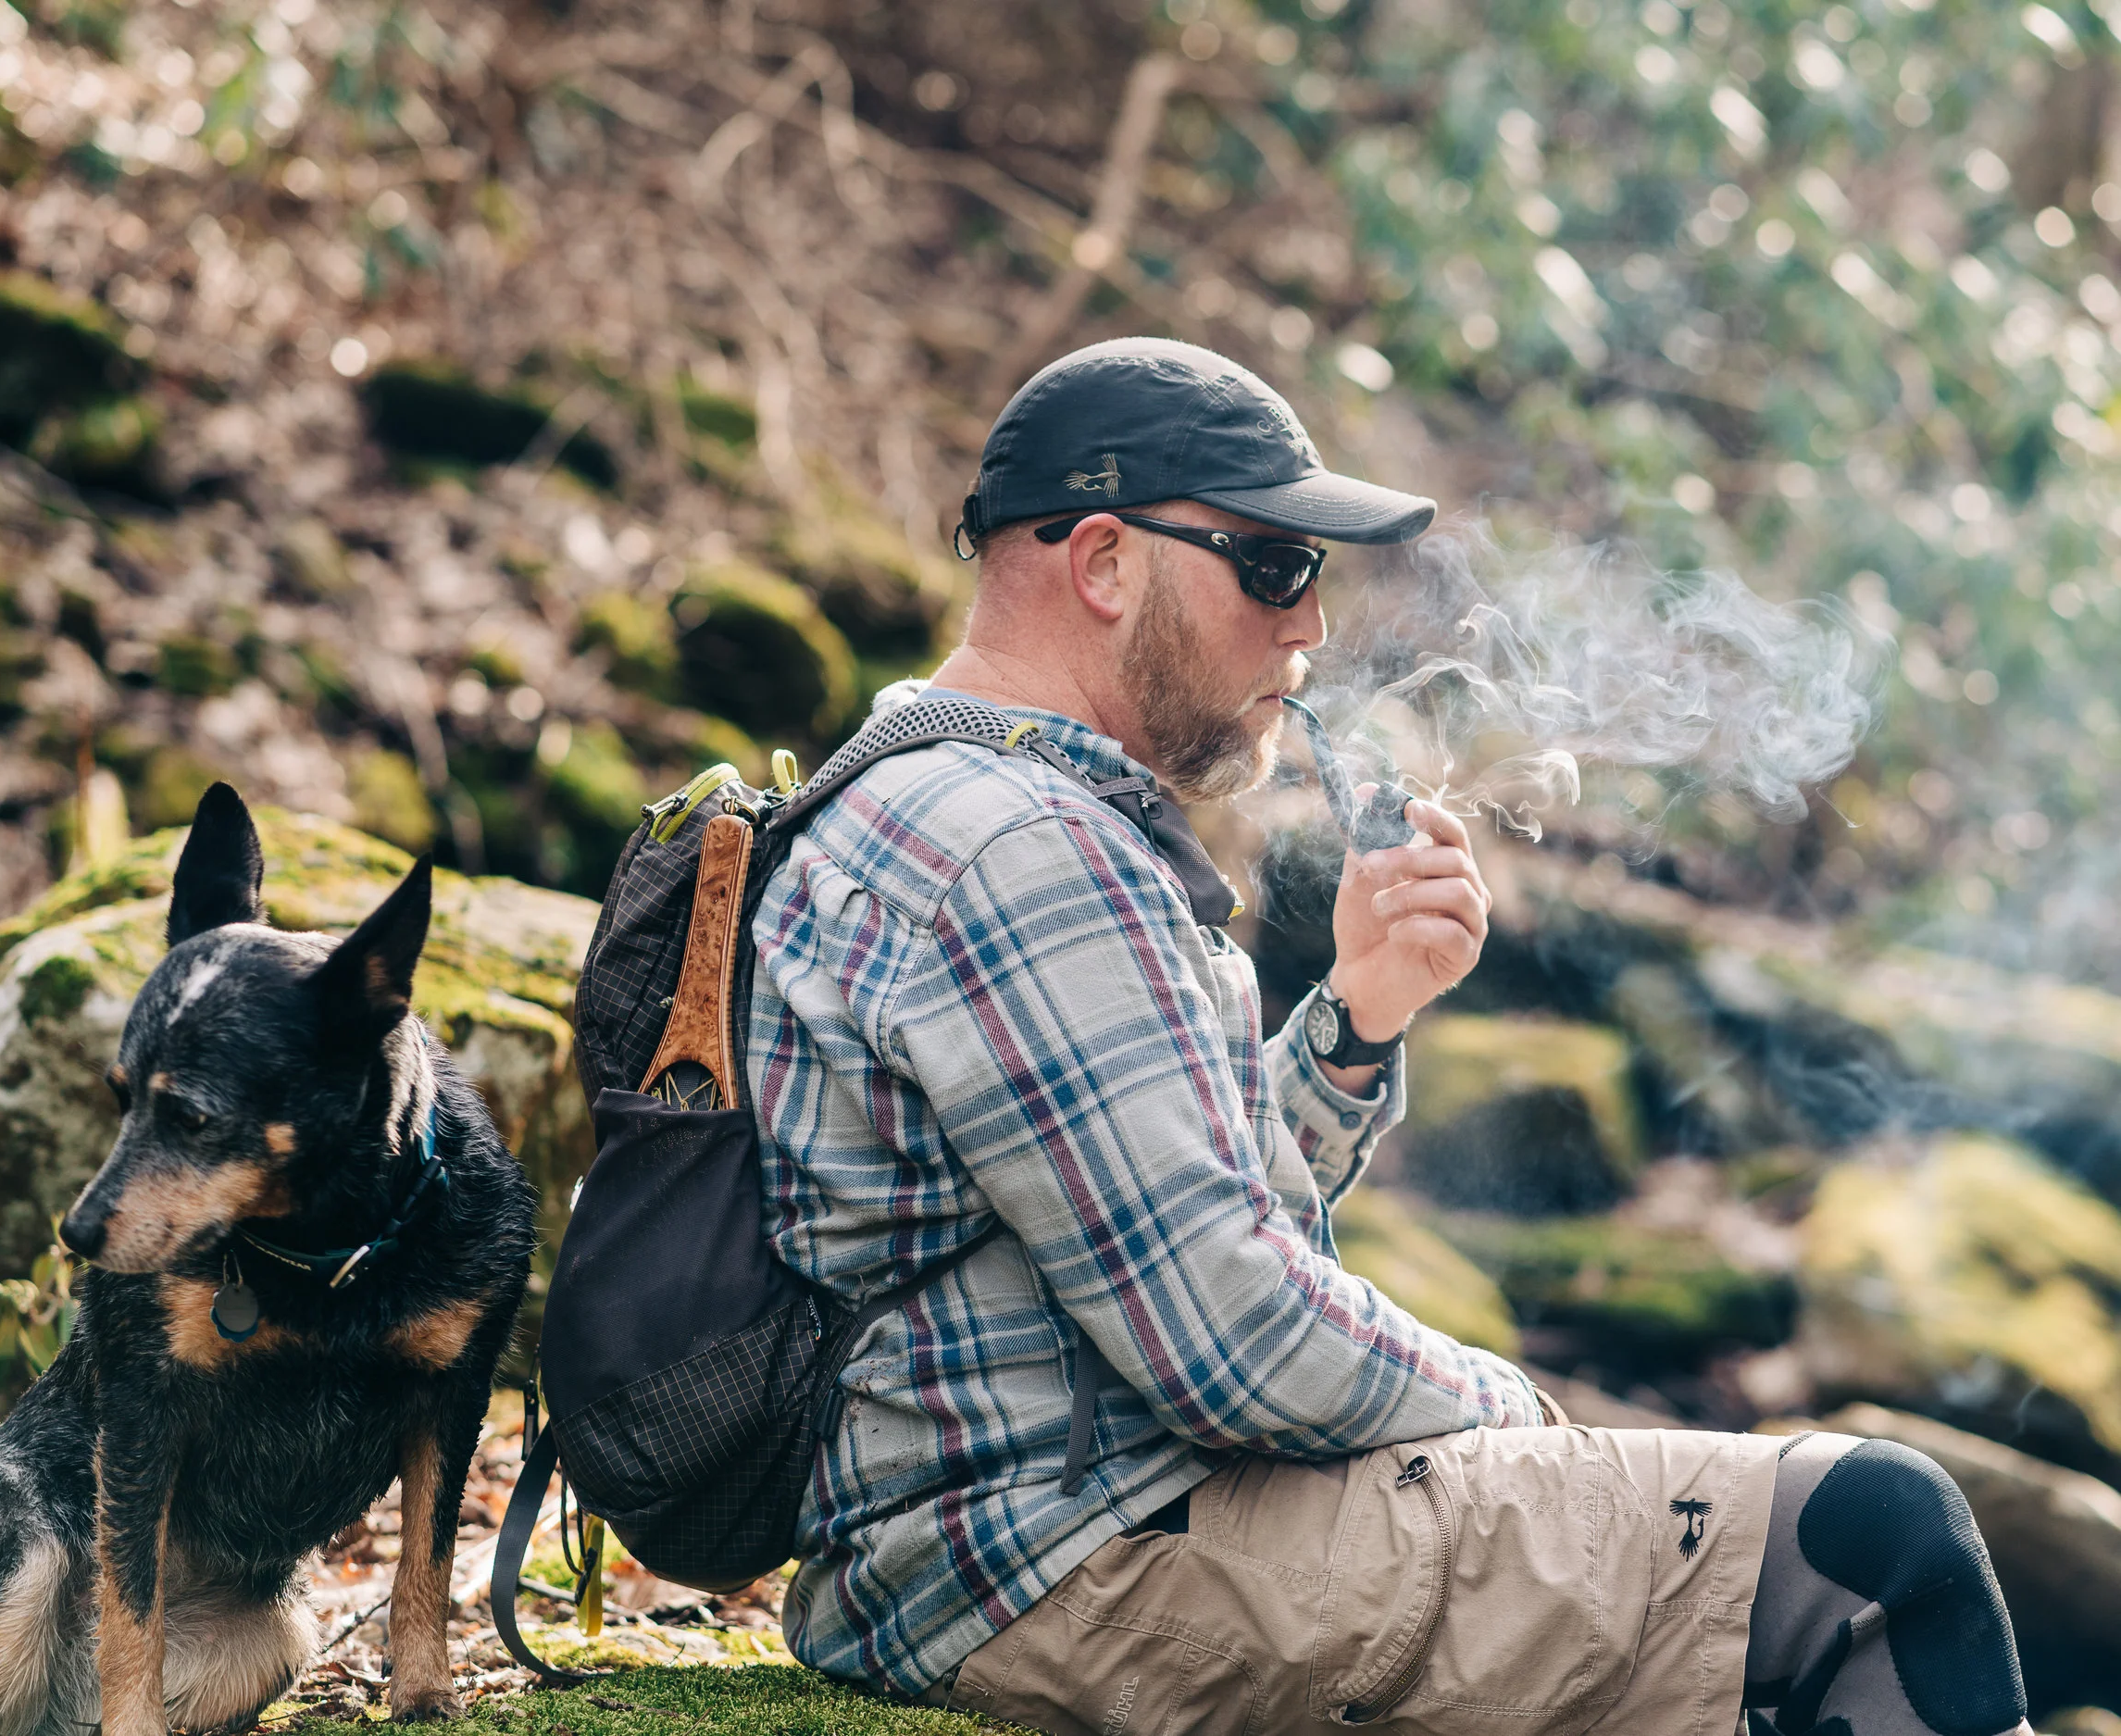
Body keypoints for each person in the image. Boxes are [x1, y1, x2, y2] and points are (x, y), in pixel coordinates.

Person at [745, 336, 2031, 1736]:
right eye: (1273, 567)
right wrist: (1519, 1412)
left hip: (1021, 1538)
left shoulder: (929, 787)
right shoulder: (1025, 850)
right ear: (1105, 563)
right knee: (1865, 1540)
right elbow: (1231, 1339)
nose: (1308, 629)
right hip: (1073, 1565)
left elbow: (1163, 1226)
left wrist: (1356, 1019)